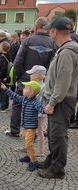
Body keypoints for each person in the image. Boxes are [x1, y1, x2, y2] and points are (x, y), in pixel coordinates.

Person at [38, 17, 78, 179]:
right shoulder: (65, 49)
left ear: (55, 31)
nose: (49, 33)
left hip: (61, 101)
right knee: (54, 133)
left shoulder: (67, 52)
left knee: (58, 135)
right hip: (60, 99)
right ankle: (52, 159)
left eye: (50, 30)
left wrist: (52, 102)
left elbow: (63, 81)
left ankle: (57, 168)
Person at [5, 17, 56, 138]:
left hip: (26, 79)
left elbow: (18, 61)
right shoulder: (52, 43)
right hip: (42, 82)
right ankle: (37, 132)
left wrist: (18, 77)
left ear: (36, 27)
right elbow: (53, 65)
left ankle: (15, 130)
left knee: (18, 104)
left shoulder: (28, 41)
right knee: (40, 107)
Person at [1, 81, 46, 171]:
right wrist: (6, 89)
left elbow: (42, 109)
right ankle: (29, 156)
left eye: (25, 88)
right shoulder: (25, 99)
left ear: (31, 92)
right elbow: (15, 96)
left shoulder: (35, 102)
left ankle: (34, 161)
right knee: (26, 142)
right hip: (25, 127)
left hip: (31, 128)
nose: (23, 89)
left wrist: (48, 108)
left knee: (28, 144)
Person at [14, 65, 47, 154]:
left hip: (39, 114)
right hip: (33, 112)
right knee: (29, 130)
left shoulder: (43, 87)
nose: (30, 75)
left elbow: (41, 102)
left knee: (39, 131)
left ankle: (40, 151)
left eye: (32, 74)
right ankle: (28, 147)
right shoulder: (33, 85)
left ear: (37, 76)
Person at [0, 41, 11, 112]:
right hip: (7, 77)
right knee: (6, 91)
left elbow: (3, 68)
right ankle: (6, 105)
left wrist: (0, 77)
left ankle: (3, 106)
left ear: (2, 48)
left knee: (2, 92)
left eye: (0, 47)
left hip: (3, 78)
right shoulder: (8, 55)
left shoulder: (2, 57)